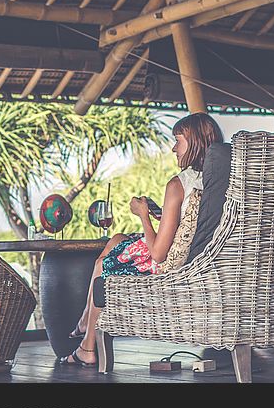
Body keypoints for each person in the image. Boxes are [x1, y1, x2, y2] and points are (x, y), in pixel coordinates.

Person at [59, 112, 225, 366]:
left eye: (178, 141)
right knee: (116, 239)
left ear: (193, 142)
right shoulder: (216, 182)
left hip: (168, 268)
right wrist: (164, 216)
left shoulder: (178, 184)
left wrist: (143, 215)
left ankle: (88, 346)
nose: (173, 149)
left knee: (104, 265)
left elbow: (158, 254)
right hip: (198, 259)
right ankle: (85, 322)